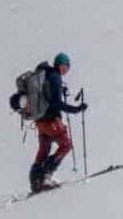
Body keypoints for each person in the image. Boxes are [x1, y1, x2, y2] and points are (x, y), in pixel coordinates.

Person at [30, 52, 88, 193]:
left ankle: (35, 181)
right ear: (59, 65)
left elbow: (49, 96)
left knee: (44, 149)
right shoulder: (55, 77)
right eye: (64, 66)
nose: (65, 69)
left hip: (40, 121)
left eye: (66, 66)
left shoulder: (47, 75)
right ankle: (45, 176)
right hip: (51, 121)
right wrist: (76, 109)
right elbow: (57, 103)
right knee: (66, 145)